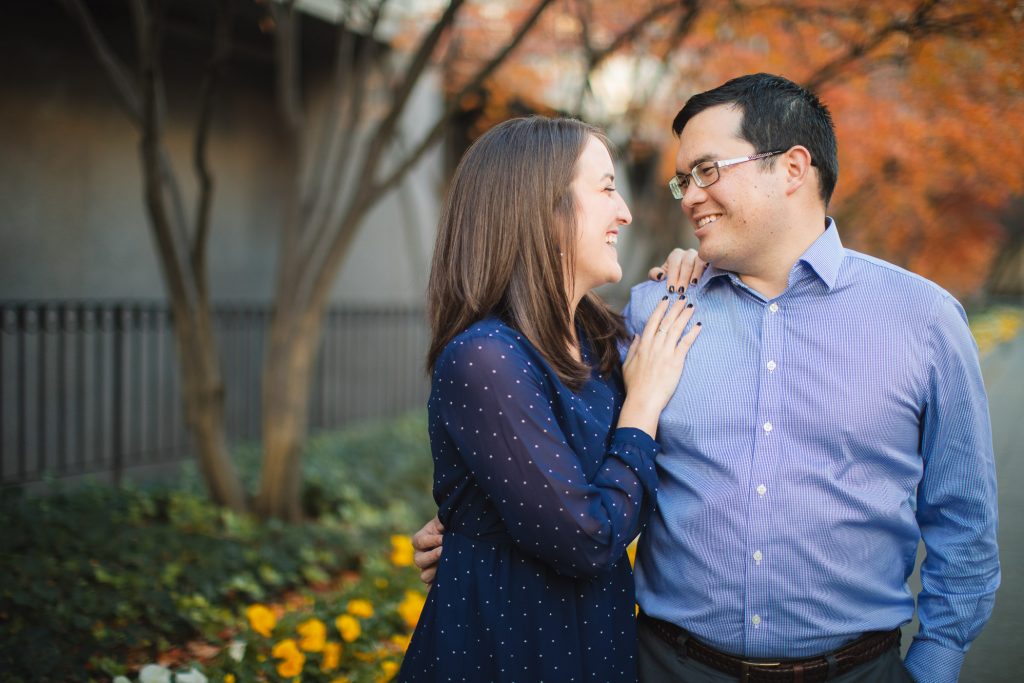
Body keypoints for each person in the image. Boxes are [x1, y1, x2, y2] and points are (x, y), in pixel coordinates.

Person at [414, 74, 999, 683]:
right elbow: (561, 440)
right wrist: (471, 528)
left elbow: (965, 523)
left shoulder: (923, 320)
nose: (687, 196)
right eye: (682, 180)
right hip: (670, 665)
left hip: (858, 669)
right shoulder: (652, 314)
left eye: (706, 171)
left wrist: (935, 664)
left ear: (793, 167)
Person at [398, 116, 702, 683]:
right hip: (506, 649)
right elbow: (588, 539)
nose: (625, 213)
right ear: (543, 206)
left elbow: (595, 493)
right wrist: (644, 406)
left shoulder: (602, 340)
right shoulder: (486, 357)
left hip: (595, 640)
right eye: (607, 188)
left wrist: (695, 273)